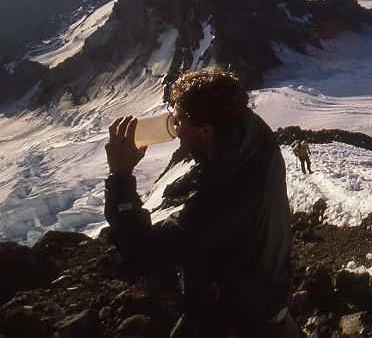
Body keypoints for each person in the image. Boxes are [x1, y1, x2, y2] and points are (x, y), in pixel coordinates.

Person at [103, 69, 299, 337]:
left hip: (238, 321)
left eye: (179, 120)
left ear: (206, 129)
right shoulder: (250, 133)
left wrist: (120, 176)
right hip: (267, 302)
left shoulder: (224, 197)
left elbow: (142, 255)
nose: (174, 128)